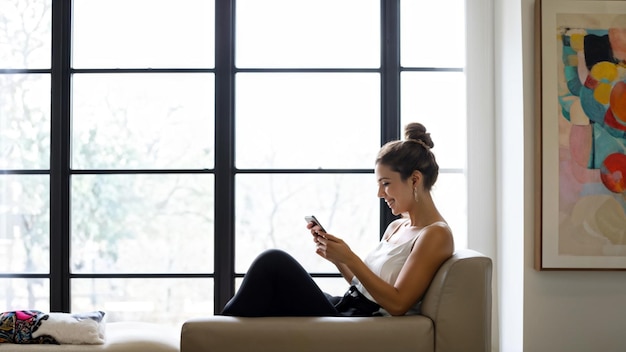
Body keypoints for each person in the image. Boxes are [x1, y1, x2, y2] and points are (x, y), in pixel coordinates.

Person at [221, 122, 454, 317]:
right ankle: (219, 333)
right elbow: (366, 287)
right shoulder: (397, 226)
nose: (380, 194)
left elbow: (398, 303)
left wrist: (351, 258)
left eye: (386, 184)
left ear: (414, 180)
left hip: (359, 318)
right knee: (270, 293)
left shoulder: (435, 234)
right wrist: (338, 258)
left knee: (273, 262)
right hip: (347, 305)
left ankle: (215, 333)